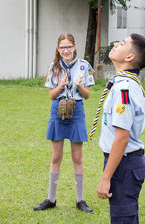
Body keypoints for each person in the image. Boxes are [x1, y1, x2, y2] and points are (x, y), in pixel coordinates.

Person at [96, 33, 145, 223]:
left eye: (121, 43)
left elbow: (122, 137)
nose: (115, 43)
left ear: (130, 57)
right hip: (123, 161)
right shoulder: (123, 82)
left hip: (124, 164)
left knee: (123, 219)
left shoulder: (125, 88)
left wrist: (106, 178)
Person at [33, 33, 95, 213]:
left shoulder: (84, 66)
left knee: (77, 157)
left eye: (69, 47)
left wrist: (79, 85)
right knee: (56, 157)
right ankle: (51, 199)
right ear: (58, 49)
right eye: (62, 48)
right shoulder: (54, 66)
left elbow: (87, 95)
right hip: (57, 109)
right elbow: (51, 95)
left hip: (77, 110)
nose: (66, 51)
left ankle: (80, 200)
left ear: (74, 47)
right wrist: (60, 85)